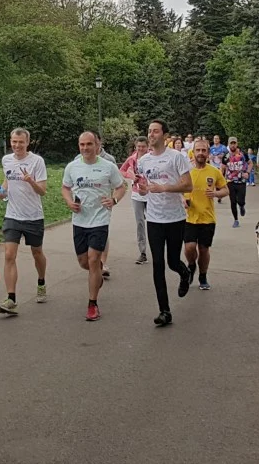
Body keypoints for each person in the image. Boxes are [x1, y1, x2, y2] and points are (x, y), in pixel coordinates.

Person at [133, 119, 194, 327]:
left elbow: (188, 186)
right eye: (149, 131)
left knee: (172, 262)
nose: (151, 135)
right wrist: (143, 189)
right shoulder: (144, 161)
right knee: (157, 264)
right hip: (154, 219)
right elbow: (144, 188)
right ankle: (164, 311)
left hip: (175, 218)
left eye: (155, 131)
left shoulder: (176, 157)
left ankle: (184, 273)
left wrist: (165, 187)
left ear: (165, 135)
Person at [62, 131, 127, 322]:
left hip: (100, 219)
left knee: (92, 259)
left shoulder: (108, 166)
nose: (85, 148)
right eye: (82, 144)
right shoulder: (72, 166)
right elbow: (65, 187)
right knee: (84, 262)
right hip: (79, 220)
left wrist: (114, 199)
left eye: (89, 144)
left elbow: (121, 186)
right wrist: (69, 202)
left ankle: (92, 304)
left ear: (97, 145)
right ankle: (97, 272)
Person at [0, 127, 49, 316]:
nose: (17, 145)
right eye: (14, 142)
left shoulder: (37, 161)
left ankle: (41, 282)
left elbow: (43, 191)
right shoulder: (6, 160)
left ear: (27, 142)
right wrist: (1, 191)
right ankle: (11, 299)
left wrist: (30, 181)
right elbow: (7, 180)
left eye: (21, 142)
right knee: (9, 255)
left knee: (37, 253)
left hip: (33, 216)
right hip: (12, 215)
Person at [183, 139, 228, 290]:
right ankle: (191, 265)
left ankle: (203, 276)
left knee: (203, 249)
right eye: (198, 150)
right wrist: (182, 199)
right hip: (188, 217)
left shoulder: (214, 171)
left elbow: (225, 190)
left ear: (208, 153)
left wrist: (215, 193)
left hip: (207, 218)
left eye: (204, 150)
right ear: (193, 152)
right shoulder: (186, 171)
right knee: (189, 247)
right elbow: (176, 190)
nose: (201, 153)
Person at [120, 137, 151, 265]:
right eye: (139, 146)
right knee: (140, 223)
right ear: (135, 146)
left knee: (153, 222)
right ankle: (142, 252)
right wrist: (132, 176)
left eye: (143, 146)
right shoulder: (132, 159)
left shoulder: (152, 158)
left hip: (151, 194)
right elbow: (122, 170)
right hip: (136, 194)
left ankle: (156, 249)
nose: (141, 149)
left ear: (148, 146)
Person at [222, 137, 249, 228]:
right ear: (228, 144)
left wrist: (247, 172)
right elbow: (222, 167)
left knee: (240, 201)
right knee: (233, 201)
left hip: (241, 181)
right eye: (231, 143)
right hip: (230, 181)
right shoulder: (226, 156)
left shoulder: (242, 154)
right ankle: (236, 220)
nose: (233, 145)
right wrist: (221, 179)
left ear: (237, 144)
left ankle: (241, 206)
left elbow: (250, 163)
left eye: (234, 143)